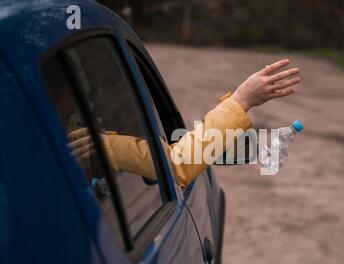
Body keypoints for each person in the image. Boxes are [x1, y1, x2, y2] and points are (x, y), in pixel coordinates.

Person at [69, 59, 300, 187]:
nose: (90, 96)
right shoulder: (79, 140)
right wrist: (241, 101)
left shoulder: (63, 130)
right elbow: (176, 165)